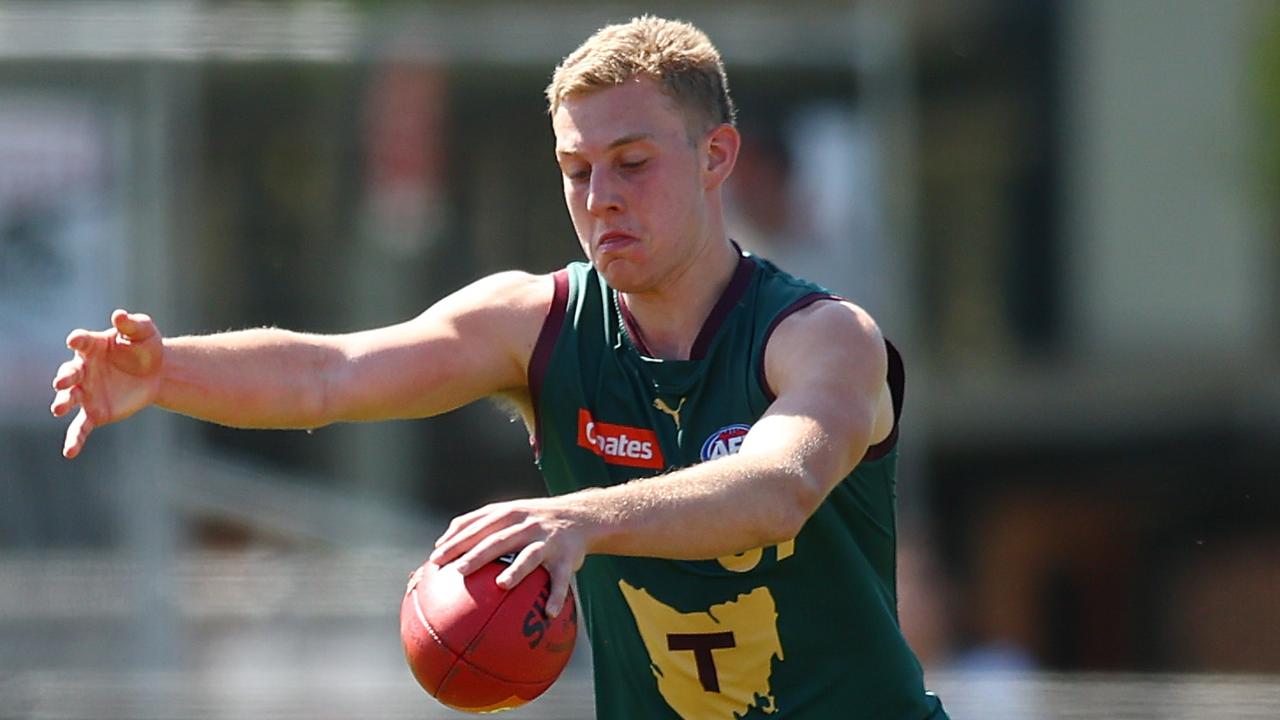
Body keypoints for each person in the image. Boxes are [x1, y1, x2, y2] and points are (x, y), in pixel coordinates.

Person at [50, 16, 948, 720]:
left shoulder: (821, 335)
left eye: (633, 163)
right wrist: (168, 373)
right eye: (575, 169)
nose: (601, 199)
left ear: (716, 156)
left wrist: (579, 517)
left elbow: (779, 484)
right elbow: (332, 373)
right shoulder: (541, 323)